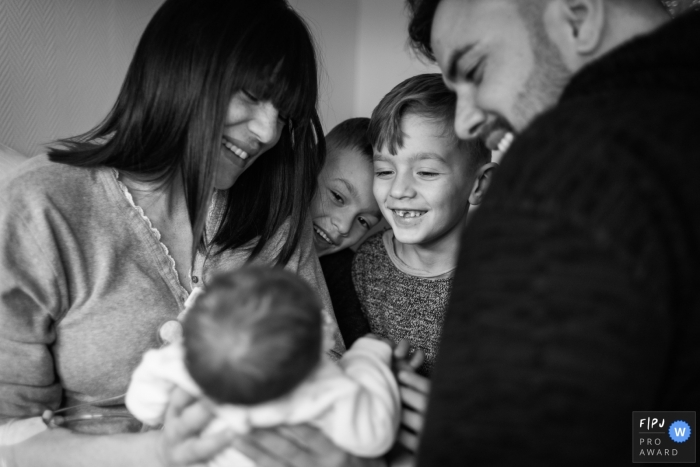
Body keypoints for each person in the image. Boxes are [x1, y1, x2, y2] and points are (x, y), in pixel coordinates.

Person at [0, 0, 347, 465]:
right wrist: (160, 452)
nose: (267, 132)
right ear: (181, 70)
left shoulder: (275, 213)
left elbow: (328, 361)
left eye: (284, 115)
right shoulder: (44, 205)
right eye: (248, 94)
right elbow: (8, 436)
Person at [405, 0, 700, 464]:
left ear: (579, 15)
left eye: (475, 68)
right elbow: (679, 433)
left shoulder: (562, 172)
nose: (465, 121)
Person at [126, 267, 400, 467]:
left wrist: (156, 406)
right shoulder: (324, 388)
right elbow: (374, 435)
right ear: (320, 341)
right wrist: (369, 355)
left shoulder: (184, 362)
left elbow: (143, 405)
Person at [311, 118, 382, 347]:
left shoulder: (345, 273)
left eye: (363, 220)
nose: (343, 227)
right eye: (338, 197)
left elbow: (355, 346)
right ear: (309, 164)